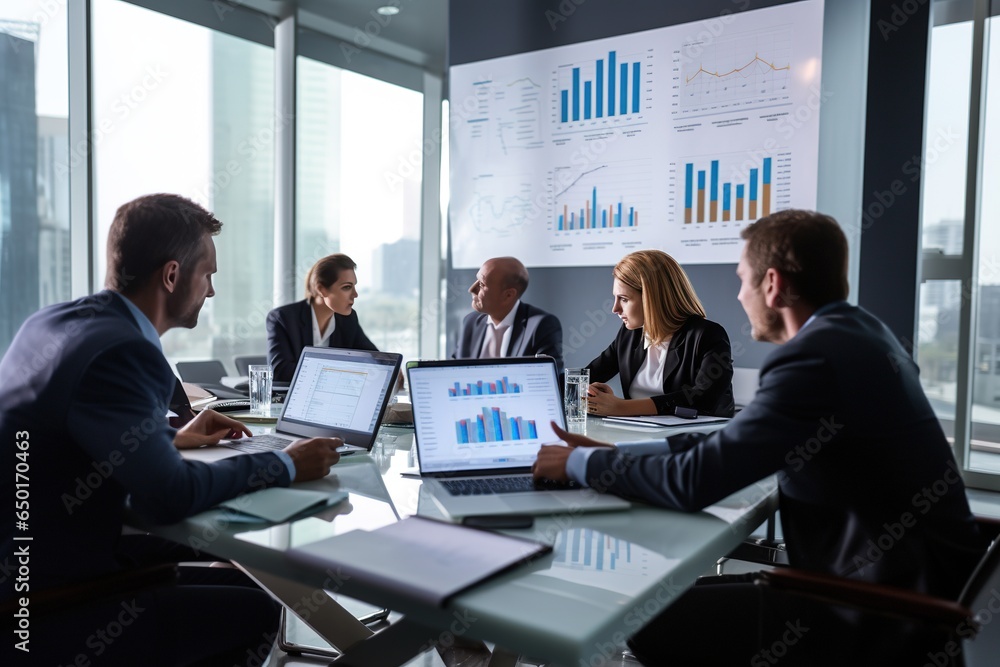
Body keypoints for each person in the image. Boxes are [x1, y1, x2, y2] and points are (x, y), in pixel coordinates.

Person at [533, 210, 987, 665]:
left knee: (643, 617)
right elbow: (727, 442)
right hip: (915, 585)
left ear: (771, 284)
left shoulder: (812, 360)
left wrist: (578, 465)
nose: (739, 294)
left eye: (742, 280)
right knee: (662, 599)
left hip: (877, 610)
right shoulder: (859, 334)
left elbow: (694, 482)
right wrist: (614, 453)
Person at [0, 194, 342, 665]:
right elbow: (168, 496)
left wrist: (169, 436)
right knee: (258, 607)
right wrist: (286, 461)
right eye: (209, 275)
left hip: (31, 559)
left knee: (247, 574)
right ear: (172, 275)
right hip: (43, 602)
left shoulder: (51, 322)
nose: (212, 291)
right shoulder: (125, 351)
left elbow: (63, 427)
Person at [585, 249, 735, 417]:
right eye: (615, 298)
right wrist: (590, 392)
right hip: (640, 433)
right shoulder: (629, 335)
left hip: (698, 437)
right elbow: (588, 376)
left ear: (652, 298)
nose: (615, 309)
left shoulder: (708, 335)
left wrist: (621, 407)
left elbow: (701, 399)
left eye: (624, 299)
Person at [267, 253, 377, 383]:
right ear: (321, 289)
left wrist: (390, 369)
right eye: (347, 287)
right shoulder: (283, 318)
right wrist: (340, 372)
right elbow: (280, 372)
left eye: (354, 286)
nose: (355, 294)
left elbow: (372, 359)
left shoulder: (348, 319)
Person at [453, 256, 564, 375]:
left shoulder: (541, 325)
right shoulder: (470, 322)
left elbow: (549, 380)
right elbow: (453, 372)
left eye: (481, 284)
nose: (471, 289)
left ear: (508, 295)